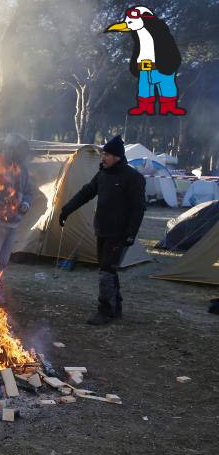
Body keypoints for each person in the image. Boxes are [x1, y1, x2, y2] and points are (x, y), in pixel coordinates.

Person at [59, 135, 145, 325]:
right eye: (103, 154)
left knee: (106, 270)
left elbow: (138, 209)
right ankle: (116, 307)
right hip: (102, 230)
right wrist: (66, 210)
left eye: (106, 154)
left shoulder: (133, 178)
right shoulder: (103, 174)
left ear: (117, 157)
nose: (103, 158)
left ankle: (105, 310)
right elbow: (86, 193)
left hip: (119, 233)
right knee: (108, 269)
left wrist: (131, 234)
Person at [0, 134, 34, 305]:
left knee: (2, 262)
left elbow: (29, 192)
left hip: (13, 223)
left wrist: (25, 204)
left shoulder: (24, 171)